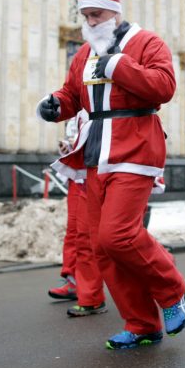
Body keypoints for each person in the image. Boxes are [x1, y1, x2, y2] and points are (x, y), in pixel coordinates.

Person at [37, 0, 185, 350]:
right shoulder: (84, 54)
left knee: (117, 235)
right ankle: (141, 324)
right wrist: (55, 105)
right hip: (95, 154)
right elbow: (73, 94)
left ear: (115, 11)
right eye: (85, 15)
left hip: (136, 148)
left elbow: (164, 86)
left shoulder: (146, 42)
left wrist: (119, 66)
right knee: (101, 248)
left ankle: (173, 289)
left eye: (97, 14)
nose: (90, 22)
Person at [47, 109, 108, 316]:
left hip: (106, 173)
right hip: (80, 175)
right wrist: (69, 147)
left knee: (117, 238)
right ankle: (82, 289)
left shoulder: (104, 96)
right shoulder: (78, 104)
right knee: (77, 233)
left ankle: (159, 282)